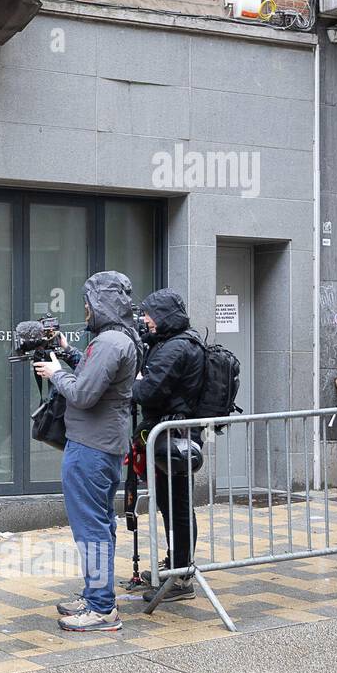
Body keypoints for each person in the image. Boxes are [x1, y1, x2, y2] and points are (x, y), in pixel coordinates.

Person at [33, 271, 140, 632]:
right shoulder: (121, 338)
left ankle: (101, 608)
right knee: (101, 524)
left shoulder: (110, 342)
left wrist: (55, 372)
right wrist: (69, 353)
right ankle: (96, 594)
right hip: (104, 444)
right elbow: (96, 377)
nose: (85, 310)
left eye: (89, 303)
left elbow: (82, 393)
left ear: (102, 304)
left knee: (90, 528)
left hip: (91, 447)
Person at [134, 289, 205, 603]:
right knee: (171, 503)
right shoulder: (175, 343)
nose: (145, 320)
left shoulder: (176, 348)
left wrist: (135, 381)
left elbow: (148, 391)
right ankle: (176, 566)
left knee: (176, 506)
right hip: (174, 436)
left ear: (162, 316)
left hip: (173, 437)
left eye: (149, 314)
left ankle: (180, 577)